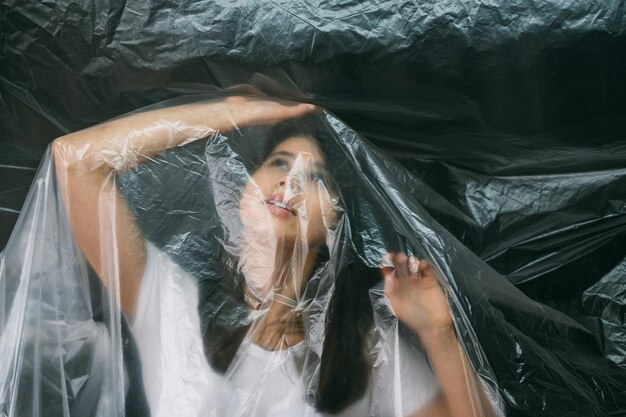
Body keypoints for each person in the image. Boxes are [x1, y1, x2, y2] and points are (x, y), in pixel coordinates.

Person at [51, 95, 497, 417]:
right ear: (244, 187)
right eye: (279, 163)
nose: (291, 183)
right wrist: (236, 113)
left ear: (337, 223)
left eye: (317, 178)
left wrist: (438, 333)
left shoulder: (365, 353)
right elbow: (74, 161)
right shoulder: (173, 306)